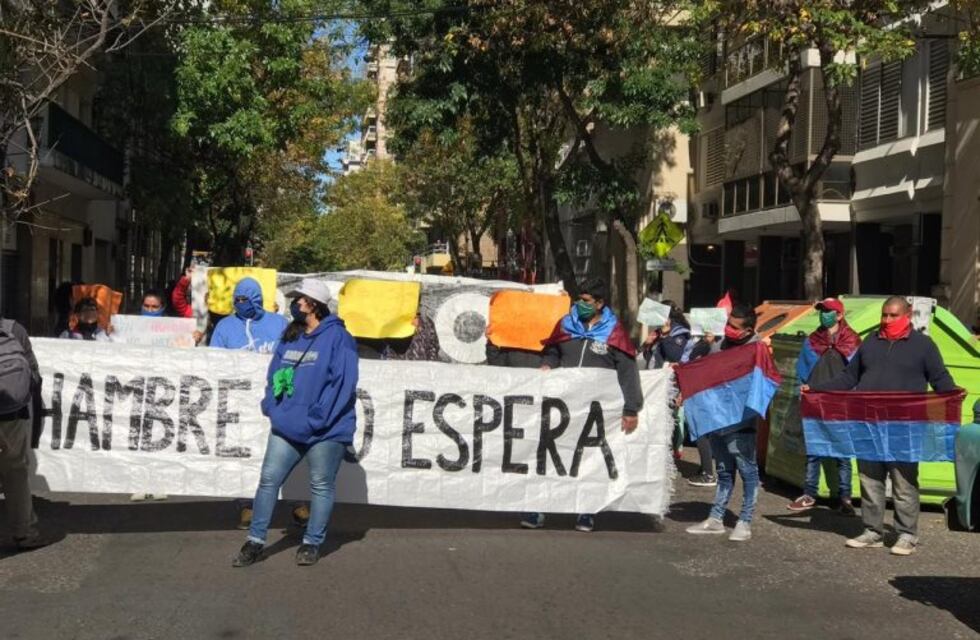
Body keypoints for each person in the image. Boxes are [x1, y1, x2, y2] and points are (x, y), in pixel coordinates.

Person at [807, 296, 955, 556]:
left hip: (904, 426)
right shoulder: (870, 344)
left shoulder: (924, 346)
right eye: (884, 315)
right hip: (868, 423)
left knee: (904, 481)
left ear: (907, 315)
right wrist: (816, 388)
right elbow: (848, 378)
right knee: (869, 479)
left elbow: (941, 379)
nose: (886, 320)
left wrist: (953, 397)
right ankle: (872, 531)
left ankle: (907, 534)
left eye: (892, 315)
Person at [233, 279, 359, 568]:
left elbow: (343, 383)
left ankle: (312, 543)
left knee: (321, 485)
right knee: (268, 480)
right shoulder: (291, 335)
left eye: (299, 299)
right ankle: (255, 541)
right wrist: (272, 406)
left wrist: (317, 418)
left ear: (313, 303)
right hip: (287, 424)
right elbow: (274, 373)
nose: (294, 304)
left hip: (326, 430)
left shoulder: (339, 338)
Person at [520, 278, 642, 533]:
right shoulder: (566, 324)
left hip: (594, 412)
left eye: (586, 301)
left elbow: (628, 371)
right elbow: (552, 352)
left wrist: (631, 408)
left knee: (588, 461)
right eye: (579, 299)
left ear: (600, 304)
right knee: (550, 456)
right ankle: (540, 507)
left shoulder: (614, 332)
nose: (580, 304)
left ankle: (585, 511)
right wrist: (548, 364)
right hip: (561, 407)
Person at [686, 302, 762, 542]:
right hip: (717, 420)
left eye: (735, 327)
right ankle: (716, 518)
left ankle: (745, 521)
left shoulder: (757, 350)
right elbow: (703, 372)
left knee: (748, 472)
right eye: (728, 324)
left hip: (742, 423)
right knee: (724, 471)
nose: (729, 329)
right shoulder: (718, 345)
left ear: (748, 331)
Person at [787, 298, 861, 516]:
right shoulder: (812, 340)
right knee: (814, 451)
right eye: (821, 311)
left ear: (839, 315)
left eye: (828, 311)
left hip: (842, 403)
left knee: (843, 454)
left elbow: (859, 372)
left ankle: (844, 497)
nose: (823, 314)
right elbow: (803, 369)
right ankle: (809, 493)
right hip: (815, 400)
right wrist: (803, 388)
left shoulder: (853, 341)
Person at [641, 301, 713, 486]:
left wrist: (664, 336)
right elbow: (651, 358)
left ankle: (707, 471)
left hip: (678, 386)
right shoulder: (662, 333)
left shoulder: (680, 334)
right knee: (663, 425)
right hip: (661, 385)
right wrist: (647, 345)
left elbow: (674, 355)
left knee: (695, 426)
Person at [0, 316, 46, 550]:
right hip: (11, 415)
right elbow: (34, 376)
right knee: (16, 471)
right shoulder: (13, 329)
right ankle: (24, 532)